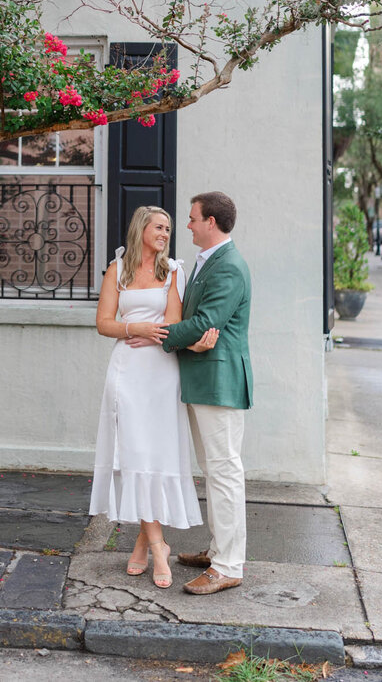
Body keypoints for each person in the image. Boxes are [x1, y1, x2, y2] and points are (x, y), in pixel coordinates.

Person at [89, 205, 218, 589]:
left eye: (170, 229)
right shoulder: (119, 270)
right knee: (133, 453)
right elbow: (103, 323)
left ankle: (143, 544)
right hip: (126, 374)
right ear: (141, 228)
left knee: (156, 455)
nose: (166, 233)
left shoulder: (173, 271)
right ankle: (159, 544)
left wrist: (152, 334)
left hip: (161, 374)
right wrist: (136, 327)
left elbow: (174, 325)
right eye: (160, 227)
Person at [154, 191, 253, 595]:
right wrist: (187, 336)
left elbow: (206, 322)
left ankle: (229, 565)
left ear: (211, 221)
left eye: (193, 218)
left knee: (225, 472)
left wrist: (156, 334)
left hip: (219, 381)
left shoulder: (228, 266)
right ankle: (218, 551)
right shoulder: (208, 262)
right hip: (203, 378)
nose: (188, 224)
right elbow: (196, 324)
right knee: (214, 472)